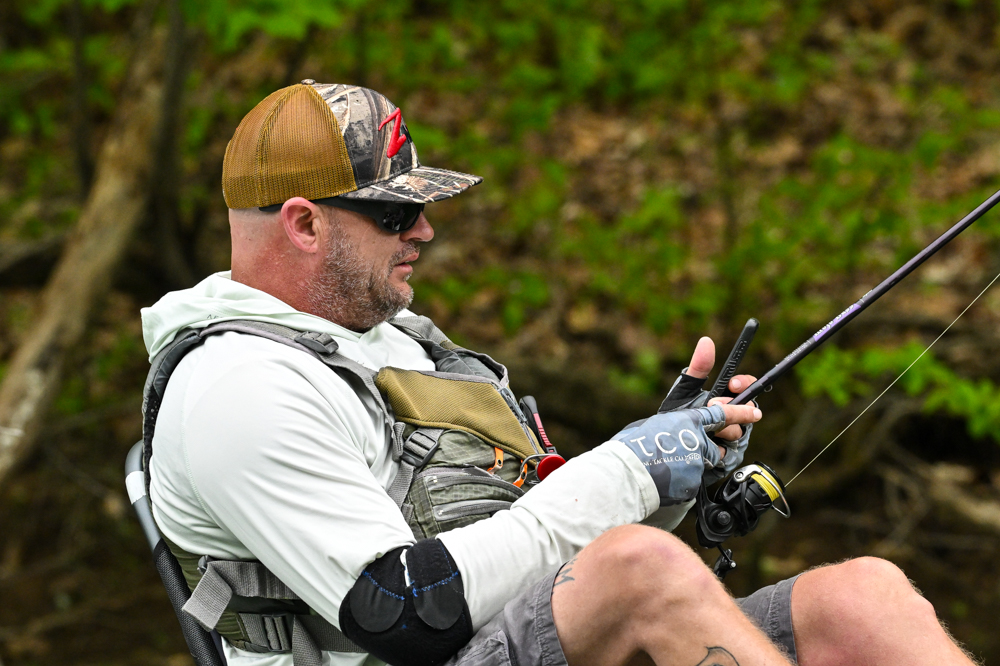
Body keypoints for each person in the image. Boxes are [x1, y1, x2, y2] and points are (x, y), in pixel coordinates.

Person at [142, 81, 977, 666]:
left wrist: (672, 466)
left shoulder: (397, 344)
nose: (425, 232)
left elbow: (536, 556)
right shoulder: (237, 387)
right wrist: (627, 468)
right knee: (638, 571)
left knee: (862, 598)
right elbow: (404, 610)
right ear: (304, 224)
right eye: (397, 212)